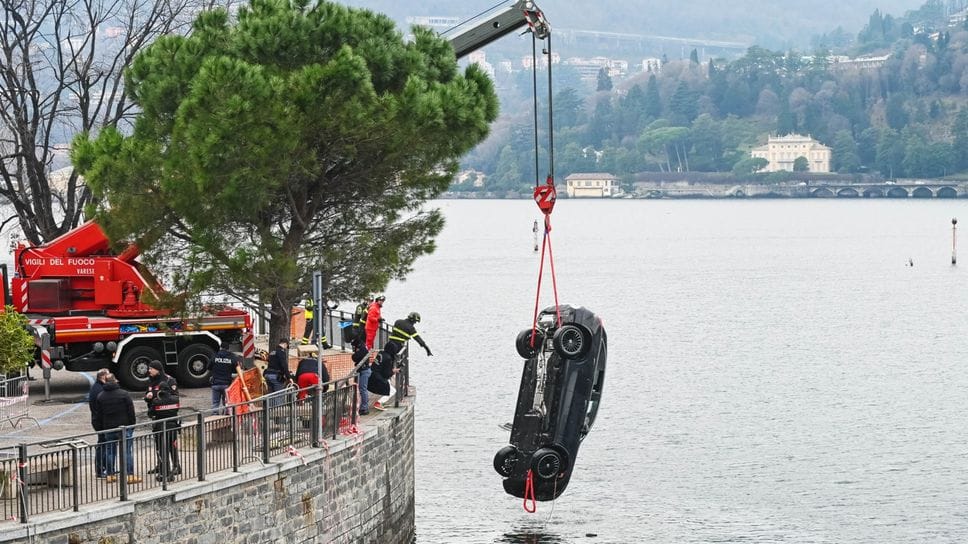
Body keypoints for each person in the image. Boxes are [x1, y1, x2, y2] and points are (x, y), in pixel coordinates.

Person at [370, 312, 432, 410]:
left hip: (390, 344)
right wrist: (426, 348)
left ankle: (388, 380)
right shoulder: (410, 328)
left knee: (386, 365)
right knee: (392, 366)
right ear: (412, 320)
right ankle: (389, 386)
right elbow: (418, 339)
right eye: (415, 322)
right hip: (397, 348)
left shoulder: (398, 322)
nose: (415, 323)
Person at [94, 373, 142, 484]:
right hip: (124, 427)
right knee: (126, 452)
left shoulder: (101, 396)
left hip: (109, 428)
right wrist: (132, 425)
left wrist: (100, 428)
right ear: (115, 381)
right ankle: (129, 475)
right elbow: (131, 412)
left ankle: (110, 475)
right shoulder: (124, 394)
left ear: (105, 381)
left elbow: (98, 415)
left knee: (110, 452)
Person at [144, 360, 181, 482]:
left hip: (165, 417)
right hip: (157, 418)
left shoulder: (170, 380)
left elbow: (173, 396)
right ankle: (161, 466)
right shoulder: (151, 380)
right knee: (159, 444)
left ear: (158, 369)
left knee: (171, 444)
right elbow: (148, 393)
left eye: (151, 369)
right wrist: (148, 397)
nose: (149, 371)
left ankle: (175, 466)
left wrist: (156, 401)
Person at [88, 368, 109, 478]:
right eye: (108, 375)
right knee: (103, 444)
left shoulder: (97, 387)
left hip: (98, 421)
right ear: (103, 376)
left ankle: (103, 468)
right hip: (101, 422)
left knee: (103, 444)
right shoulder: (99, 390)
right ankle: (101, 469)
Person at [264, 339, 293, 416]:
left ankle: (269, 415)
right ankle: (279, 417)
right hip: (275, 376)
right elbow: (284, 365)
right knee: (279, 395)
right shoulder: (281, 352)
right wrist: (289, 377)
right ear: (285, 344)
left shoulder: (272, 352)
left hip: (268, 375)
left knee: (271, 395)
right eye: (286, 346)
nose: (286, 348)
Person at [210, 341, 239, 414]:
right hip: (226, 384)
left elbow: (209, 367)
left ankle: (214, 416)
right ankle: (226, 417)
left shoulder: (215, 356)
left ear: (220, 348)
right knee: (226, 402)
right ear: (228, 349)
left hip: (215, 383)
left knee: (215, 403)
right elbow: (236, 369)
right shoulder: (232, 357)